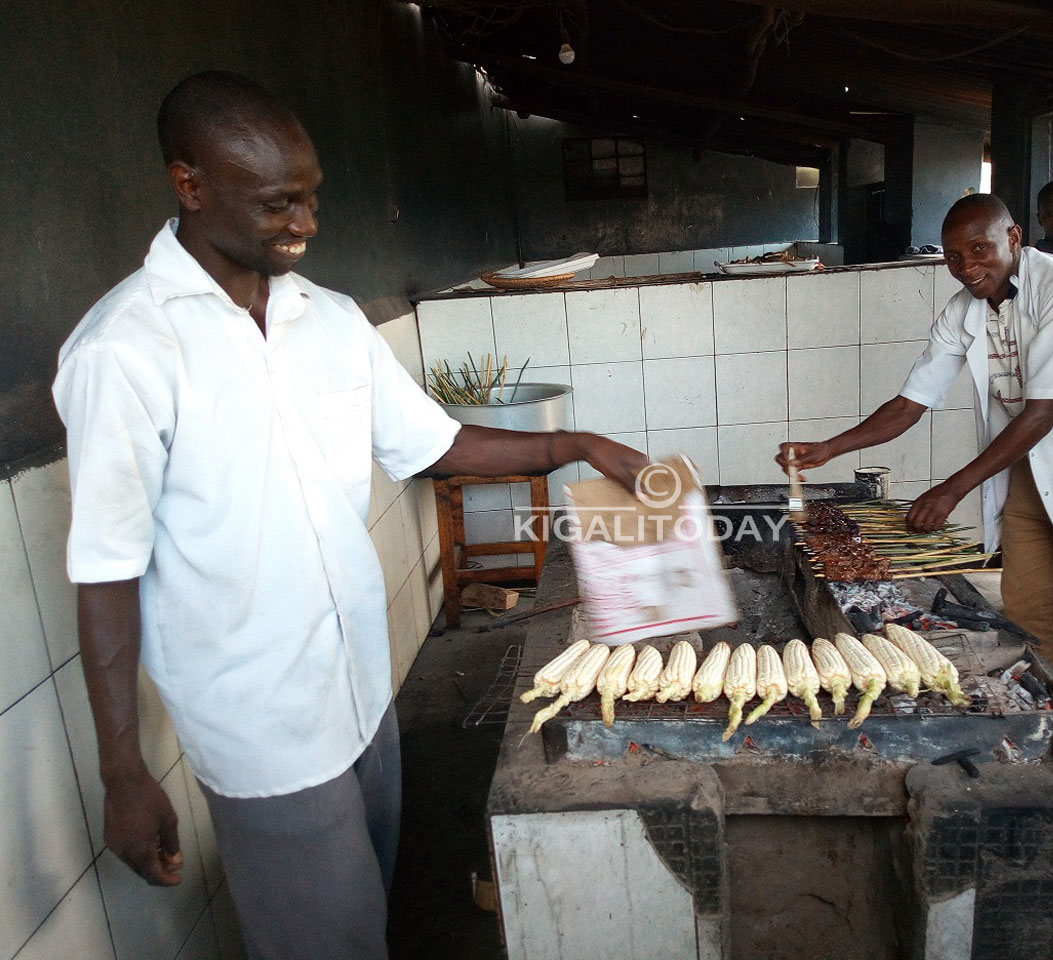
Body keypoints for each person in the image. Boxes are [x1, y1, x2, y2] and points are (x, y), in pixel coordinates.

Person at [52, 71, 647, 960]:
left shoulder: (326, 319)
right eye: (277, 203)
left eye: (313, 197)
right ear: (190, 186)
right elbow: (104, 568)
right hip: (265, 731)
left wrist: (579, 445)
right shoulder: (125, 351)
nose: (306, 223)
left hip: (367, 697)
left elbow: (436, 444)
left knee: (369, 920)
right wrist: (123, 769)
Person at [779, 193, 1053, 755]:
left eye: (978, 249)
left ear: (1013, 239)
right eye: (954, 257)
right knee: (1029, 614)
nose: (967, 267)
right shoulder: (965, 309)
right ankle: (1043, 738)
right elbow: (911, 402)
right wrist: (829, 448)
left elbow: (1042, 412)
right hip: (1030, 473)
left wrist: (955, 487)